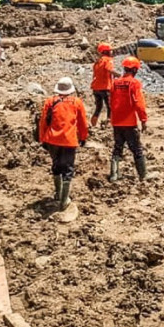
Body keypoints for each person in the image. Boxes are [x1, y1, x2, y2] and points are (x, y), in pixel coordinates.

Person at [38, 77, 88, 211]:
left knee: (56, 166)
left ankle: (58, 194)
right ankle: (64, 200)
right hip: (69, 140)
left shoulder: (50, 101)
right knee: (68, 169)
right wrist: (83, 137)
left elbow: (43, 122)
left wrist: (42, 138)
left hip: (52, 140)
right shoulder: (76, 102)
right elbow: (83, 122)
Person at [109, 57, 155, 182]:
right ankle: (143, 175)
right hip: (129, 122)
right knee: (137, 149)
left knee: (118, 147)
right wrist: (143, 120)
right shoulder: (134, 83)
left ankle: (114, 174)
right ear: (135, 70)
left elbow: (111, 102)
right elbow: (139, 103)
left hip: (116, 122)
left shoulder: (115, 83)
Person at [89, 43, 117, 127]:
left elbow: (94, 75)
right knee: (110, 106)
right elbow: (109, 70)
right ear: (106, 51)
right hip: (105, 87)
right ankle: (108, 124)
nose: (112, 52)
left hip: (96, 87)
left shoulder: (97, 62)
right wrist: (120, 76)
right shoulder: (108, 60)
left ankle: (93, 125)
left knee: (98, 107)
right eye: (110, 50)